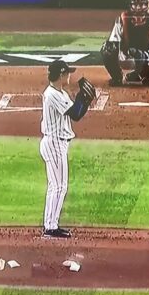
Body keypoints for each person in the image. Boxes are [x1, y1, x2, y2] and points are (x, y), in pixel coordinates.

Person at [38, 60, 96, 239]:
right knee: (59, 187)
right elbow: (76, 113)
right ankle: (50, 227)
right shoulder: (52, 95)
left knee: (56, 186)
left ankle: (50, 225)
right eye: (67, 73)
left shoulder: (60, 93)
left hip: (56, 143)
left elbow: (76, 113)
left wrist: (84, 101)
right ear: (61, 74)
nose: (69, 75)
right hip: (54, 143)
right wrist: (83, 98)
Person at [101, 0, 149, 87]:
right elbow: (114, 41)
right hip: (125, 55)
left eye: (141, 5)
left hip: (145, 57)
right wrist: (122, 52)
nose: (138, 8)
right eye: (135, 5)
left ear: (146, 5)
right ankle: (117, 77)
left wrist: (145, 55)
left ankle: (144, 77)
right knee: (106, 49)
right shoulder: (121, 19)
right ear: (130, 6)